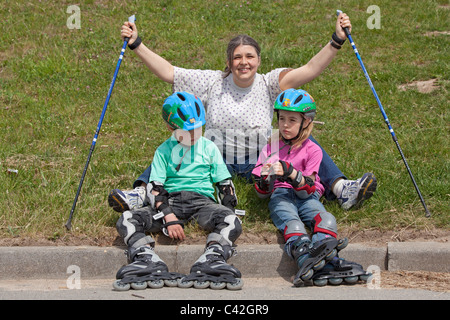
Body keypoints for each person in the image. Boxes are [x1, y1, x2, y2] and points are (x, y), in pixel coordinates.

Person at [109, 11, 377, 214]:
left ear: (259, 60)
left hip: (260, 161)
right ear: (229, 62)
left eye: (249, 56)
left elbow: (309, 69)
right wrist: (136, 43)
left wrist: (337, 41)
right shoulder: (213, 81)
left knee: (302, 140)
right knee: (177, 143)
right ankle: (140, 193)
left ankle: (343, 189)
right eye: (237, 57)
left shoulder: (270, 83)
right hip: (216, 160)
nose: (243, 62)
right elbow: (169, 72)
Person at [113, 92, 243, 291]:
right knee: (126, 219)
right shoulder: (163, 151)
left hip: (203, 204)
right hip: (171, 201)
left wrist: (228, 209)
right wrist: (168, 216)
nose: (193, 135)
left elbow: (225, 186)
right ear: (170, 128)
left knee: (232, 220)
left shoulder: (209, 148)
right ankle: (145, 257)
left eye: (197, 129)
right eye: (186, 131)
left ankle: (214, 256)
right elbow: (156, 188)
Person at [252, 89, 370, 286]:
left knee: (326, 219)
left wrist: (290, 172)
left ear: (306, 121)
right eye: (281, 119)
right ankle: (305, 258)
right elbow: (260, 194)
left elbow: (307, 189)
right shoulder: (270, 146)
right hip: (281, 195)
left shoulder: (313, 149)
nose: (285, 125)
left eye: (292, 120)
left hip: (308, 197)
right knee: (294, 224)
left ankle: (322, 253)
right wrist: (265, 181)